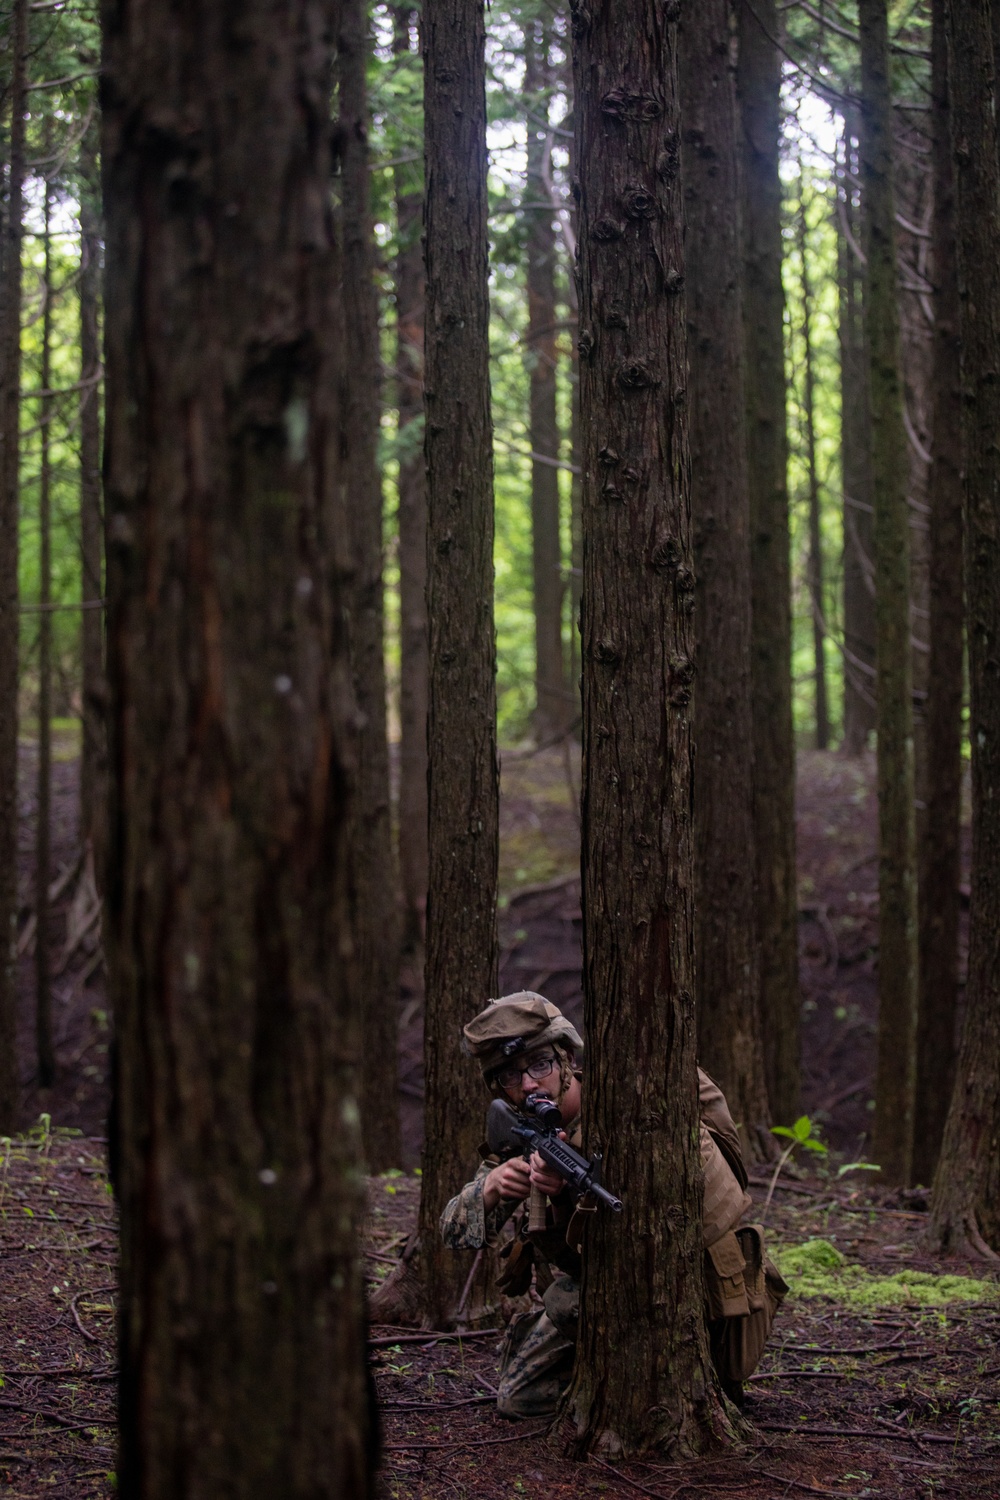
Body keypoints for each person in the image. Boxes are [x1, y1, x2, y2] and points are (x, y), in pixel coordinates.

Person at [440, 991, 786, 1417]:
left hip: (688, 1286)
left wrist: (571, 1192)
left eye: (540, 1064)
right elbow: (451, 1231)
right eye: (511, 1075)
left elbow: (681, 1224)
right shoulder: (522, 1135)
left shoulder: (631, 1106)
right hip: (599, 1295)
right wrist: (493, 1186)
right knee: (518, 1399)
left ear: (566, 1060)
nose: (530, 1083)